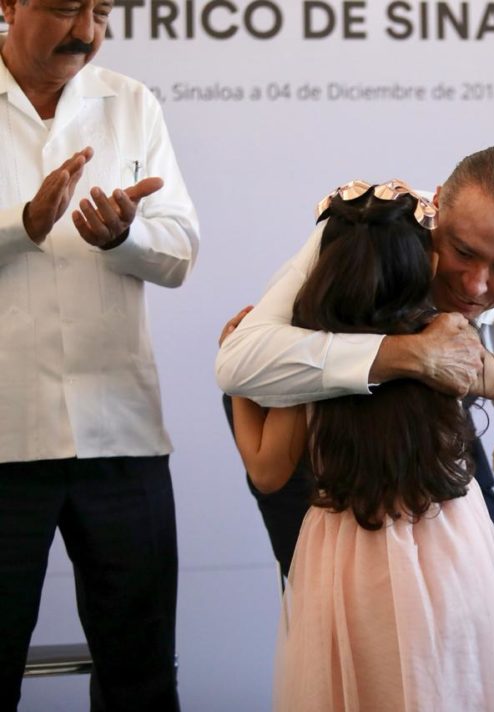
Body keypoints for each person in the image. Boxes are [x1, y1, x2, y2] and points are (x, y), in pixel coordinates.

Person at [215, 147, 494, 557]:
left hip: (430, 446)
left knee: (472, 560)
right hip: (320, 439)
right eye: (463, 252)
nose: (475, 285)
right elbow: (240, 363)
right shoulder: (366, 235)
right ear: (436, 206)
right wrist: (414, 354)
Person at [229, 183, 494, 710]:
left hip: (349, 561)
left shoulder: (308, 369)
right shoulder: (447, 337)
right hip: (452, 551)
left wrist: (243, 387)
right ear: (425, 264)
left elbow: (266, 471)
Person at [0, 1, 198, 710]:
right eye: (64, 7)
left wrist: (124, 238)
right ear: (8, 6)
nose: (85, 30)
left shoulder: (130, 102)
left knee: (142, 678)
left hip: (121, 435)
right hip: (4, 436)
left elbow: (180, 250)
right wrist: (23, 225)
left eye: (102, 11)